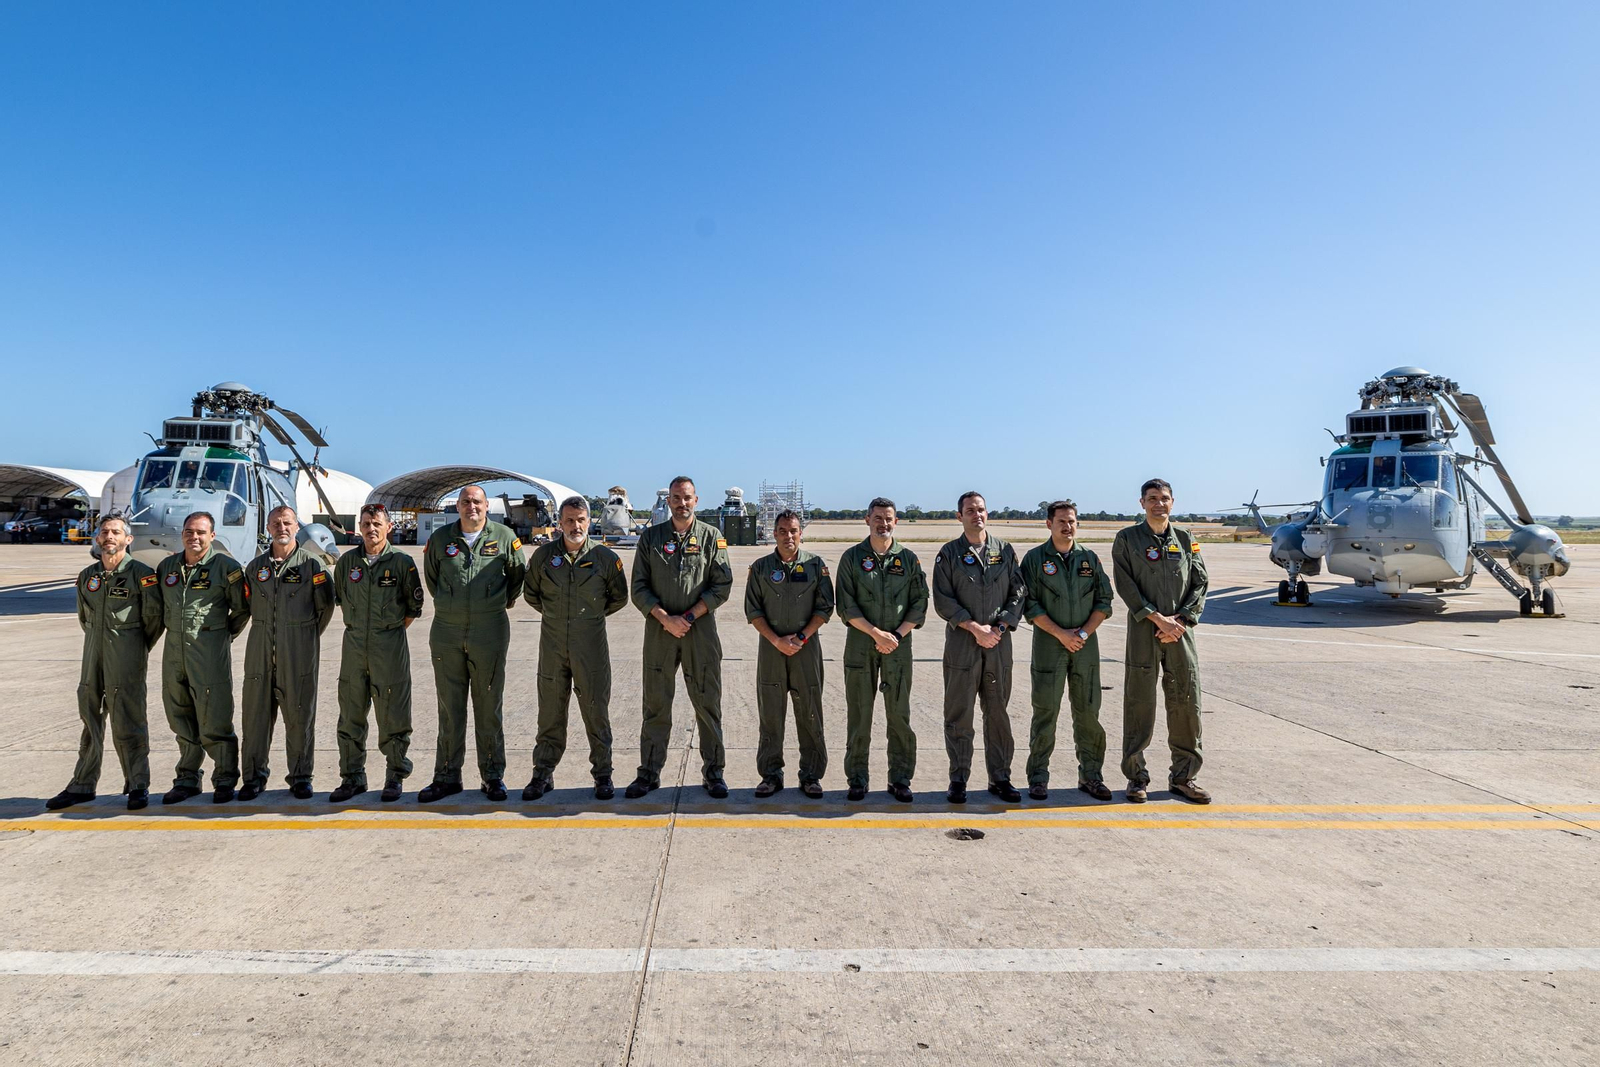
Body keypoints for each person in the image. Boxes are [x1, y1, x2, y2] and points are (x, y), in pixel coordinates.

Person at [46, 515, 164, 811]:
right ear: (97, 539)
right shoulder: (88, 576)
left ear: (128, 539)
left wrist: (132, 647)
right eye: (104, 532)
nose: (109, 536)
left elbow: (153, 620)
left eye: (116, 532)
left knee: (129, 721)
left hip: (126, 658)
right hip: (92, 656)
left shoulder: (142, 575)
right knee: (90, 719)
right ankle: (83, 784)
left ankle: (138, 784)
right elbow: (84, 619)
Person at [627, 476, 732, 799]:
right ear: (668, 501)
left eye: (687, 497)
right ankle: (649, 773)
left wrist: (687, 617)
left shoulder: (712, 537)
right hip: (660, 633)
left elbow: (722, 585)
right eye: (676, 497)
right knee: (656, 705)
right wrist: (665, 619)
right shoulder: (651, 538)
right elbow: (639, 587)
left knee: (707, 704)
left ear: (696, 500)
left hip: (699, 633)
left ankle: (713, 773)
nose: (681, 503)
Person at [421, 485, 527, 802]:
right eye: (466, 502)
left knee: (488, 705)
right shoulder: (441, 540)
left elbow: (517, 578)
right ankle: (447, 777)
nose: (472, 507)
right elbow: (432, 579)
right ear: (458, 505)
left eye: (477, 502)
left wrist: (492, 605)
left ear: (485, 506)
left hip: (489, 629)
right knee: (450, 708)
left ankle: (493, 776)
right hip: (447, 630)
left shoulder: (505, 537)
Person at [521, 496, 629, 801]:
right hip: (553, 646)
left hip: (590, 647)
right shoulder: (543, 557)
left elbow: (619, 597)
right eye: (569, 520)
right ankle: (542, 773)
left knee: (596, 711)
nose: (575, 526)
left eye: (580, 520)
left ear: (589, 521)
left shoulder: (606, 559)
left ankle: (603, 774)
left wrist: (589, 619)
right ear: (559, 523)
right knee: (550, 713)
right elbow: (532, 595)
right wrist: (560, 617)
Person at [1111, 478, 1211, 804]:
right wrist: (1157, 618)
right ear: (1141, 503)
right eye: (1152, 498)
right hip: (1144, 629)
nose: (1159, 503)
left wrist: (1180, 620)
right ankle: (1136, 777)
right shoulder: (1127, 539)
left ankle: (1184, 777)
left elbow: (1200, 580)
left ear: (1173, 502)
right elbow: (1126, 585)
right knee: (1139, 702)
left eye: (1164, 498)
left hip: (1181, 632)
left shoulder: (1186, 538)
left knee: (1186, 702)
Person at [932, 491, 1027, 804]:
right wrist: (973, 627)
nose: (977, 515)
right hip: (962, 644)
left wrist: (999, 627)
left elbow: (1018, 593)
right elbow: (943, 599)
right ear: (959, 516)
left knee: (997, 712)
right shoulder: (948, 554)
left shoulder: (1005, 550)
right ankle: (958, 778)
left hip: (998, 644)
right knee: (959, 713)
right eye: (970, 511)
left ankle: (1000, 778)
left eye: (981, 509)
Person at [834, 498, 928, 802]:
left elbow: (919, 602)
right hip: (861, 645)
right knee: (859, 714)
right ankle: (857, 778)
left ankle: (900, 778)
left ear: (896, 522)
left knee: (899, 715)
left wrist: (896, 637)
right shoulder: (851, 558)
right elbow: (846, 605)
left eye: (888, 519)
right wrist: (876, 634)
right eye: (877, 518)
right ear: (867, 520)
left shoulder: (909, 560)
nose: (882, 524)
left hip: (898, 648)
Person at [239, 506, 336, 801]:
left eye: (287, 523)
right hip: (259, 648)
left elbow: (325, 607)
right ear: (268, 528)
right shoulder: (255, 568)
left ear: (297, 527)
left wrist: (303, 635)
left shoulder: (313, 566)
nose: (282, 527)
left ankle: (301, 776)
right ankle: (254, 777)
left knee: (299, 715)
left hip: (299, 648)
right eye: (276, 523)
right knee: (255, 717)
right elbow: (245, 607)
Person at [1020, 500, 1114, 800]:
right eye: (1061, 521)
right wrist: (1061, 634)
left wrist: (1083, 632)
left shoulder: (1089, 558)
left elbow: (1104, 600)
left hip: (1085, 646)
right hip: (1049, 645)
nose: (1067, 526)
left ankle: (1091, 775)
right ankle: (1038, 777)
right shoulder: (1035, 560)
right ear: (1049, 524)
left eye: (1072, 521)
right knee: (1045, 712)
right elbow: (1029, 604)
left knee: (1088, 713)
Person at [331, 503, 424, 803]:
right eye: (366, 523)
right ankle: (352, 778)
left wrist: (387, 631)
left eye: (377, 524)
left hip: (390, 647)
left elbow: (412, 608)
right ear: (359, 527)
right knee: (350, 716)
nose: (371, 529)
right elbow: (339, 599)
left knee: (393, 715)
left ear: (389, 527)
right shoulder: (347, 563)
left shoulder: (401, 562)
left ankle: (395, 776)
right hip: (355, 647)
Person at [155, 511, 249, 804]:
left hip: (209, 654)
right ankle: (187, 778)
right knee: (179, 717)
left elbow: (243, 609)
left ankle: (224, 779)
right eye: (189, 532)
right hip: (174, 654)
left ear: (212, 535)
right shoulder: (168, 567)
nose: (194, 537)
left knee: (215, 719)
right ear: (182, 534)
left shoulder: (227, 568)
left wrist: (220, 636)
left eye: (200, 532)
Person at [743, 509, 834, 798]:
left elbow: (825, 607)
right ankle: (771, 775)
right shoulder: (760, 568)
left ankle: (811, 775)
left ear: (801, 533)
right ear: (775, 534)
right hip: (771, 651)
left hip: (806, 650)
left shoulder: (815, 565)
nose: (788, 536)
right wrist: (775, 640)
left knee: (810, 712)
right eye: (782, 531)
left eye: (793, 531)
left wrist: (802, 637)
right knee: (770, 714)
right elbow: (753, 610)